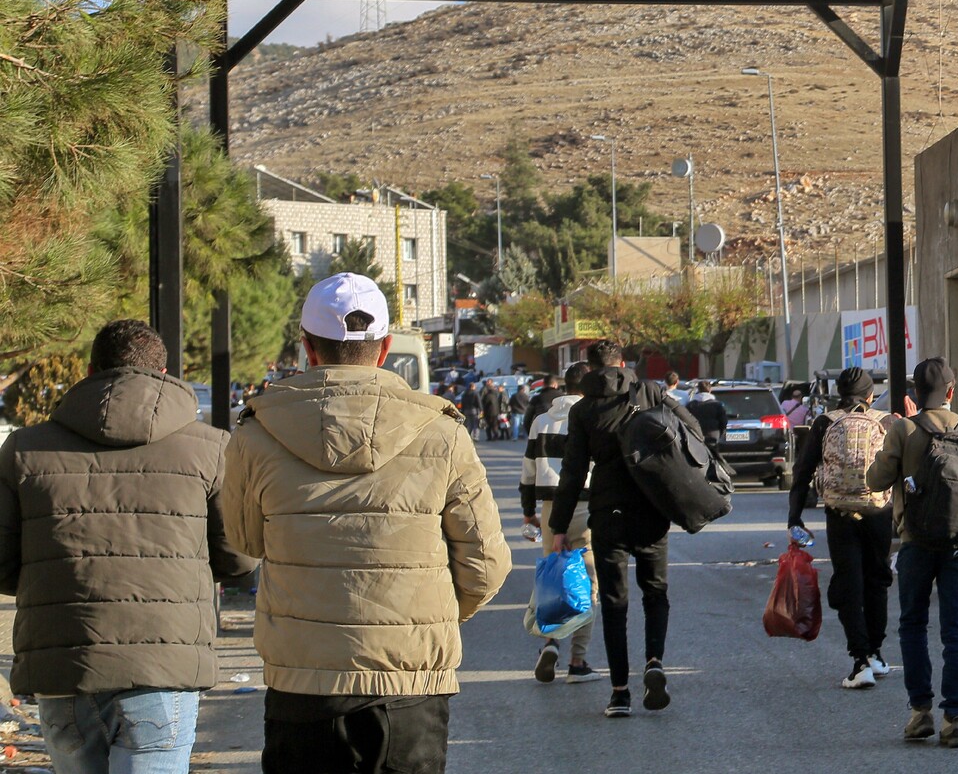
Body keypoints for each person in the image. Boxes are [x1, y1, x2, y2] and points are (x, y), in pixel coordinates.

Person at [223, 273, 512, 774]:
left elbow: (246, 541)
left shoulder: (257, 431)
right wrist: (423, 619)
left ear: (308, 347)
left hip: (302, 681)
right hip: (408, 685)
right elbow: (486, 566)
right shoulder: (441, 433)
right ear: (384, 349)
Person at [0, 320, 256, 774]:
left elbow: (2, 564)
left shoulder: (24, 449)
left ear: (90, 371)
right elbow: (239, 558)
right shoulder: (211, 449)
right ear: (163, 373)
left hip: (64, 665)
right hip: (163, 664)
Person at [549, 339, 705, 717]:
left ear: (590, 367)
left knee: (615, 602)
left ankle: (619, 693)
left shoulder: (583, 410)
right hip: (652, 507)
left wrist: (558, 527)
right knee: (655, 592)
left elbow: (572, 472)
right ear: (622, 364)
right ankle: (654, 661)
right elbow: (692, 427)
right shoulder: (650, 391)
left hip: (607, 512)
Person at [866, 358, 958, 748]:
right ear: (951, 391)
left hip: (916, 542)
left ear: (915, 393)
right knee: (955, 632)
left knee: (913, 626)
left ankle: (920, 712)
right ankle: (953, 719)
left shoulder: (905, 430)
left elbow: (876, 479)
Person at [786, 367, 896, 690]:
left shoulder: (825, 423)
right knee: (877, 580)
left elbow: (803, 471)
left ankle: (859, 662)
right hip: (879, 513)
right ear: (870, 395)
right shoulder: (887, 422)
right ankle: (875, 654)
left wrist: (795, 518)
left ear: (839, 393)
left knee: (849, 584)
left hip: (839, 514)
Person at [522, 362, 599, 684]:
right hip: (587, 506)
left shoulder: (541, 421)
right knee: (587, 583)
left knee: (554, 579)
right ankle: (577, 662)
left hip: (551, 509)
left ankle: (550, 642)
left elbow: (528, 472)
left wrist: (529, 512)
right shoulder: (593, 418)